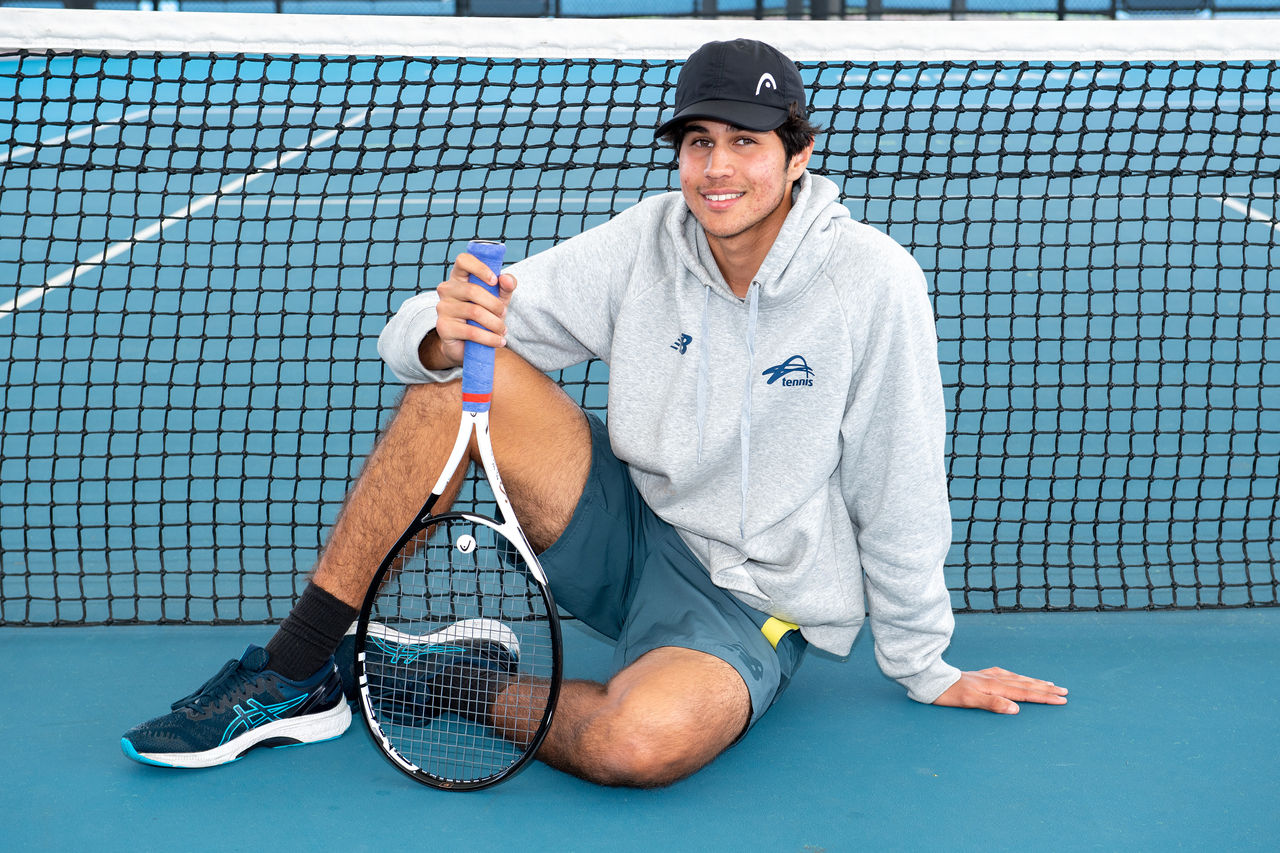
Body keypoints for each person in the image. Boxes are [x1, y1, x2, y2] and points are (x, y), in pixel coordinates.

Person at [121, 38, 1068, 786]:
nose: (718, 167)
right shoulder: (648, 242)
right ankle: (297, 672)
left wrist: (923, 661)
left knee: (635, 743)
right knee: (456, 384)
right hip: (626, 530)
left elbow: (898, 477)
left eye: (745, 141)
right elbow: (429, 332)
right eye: (699, 142)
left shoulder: (874, 283)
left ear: (798, 154)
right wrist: (445, 331)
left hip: (750, 602)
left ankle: (455, 680)